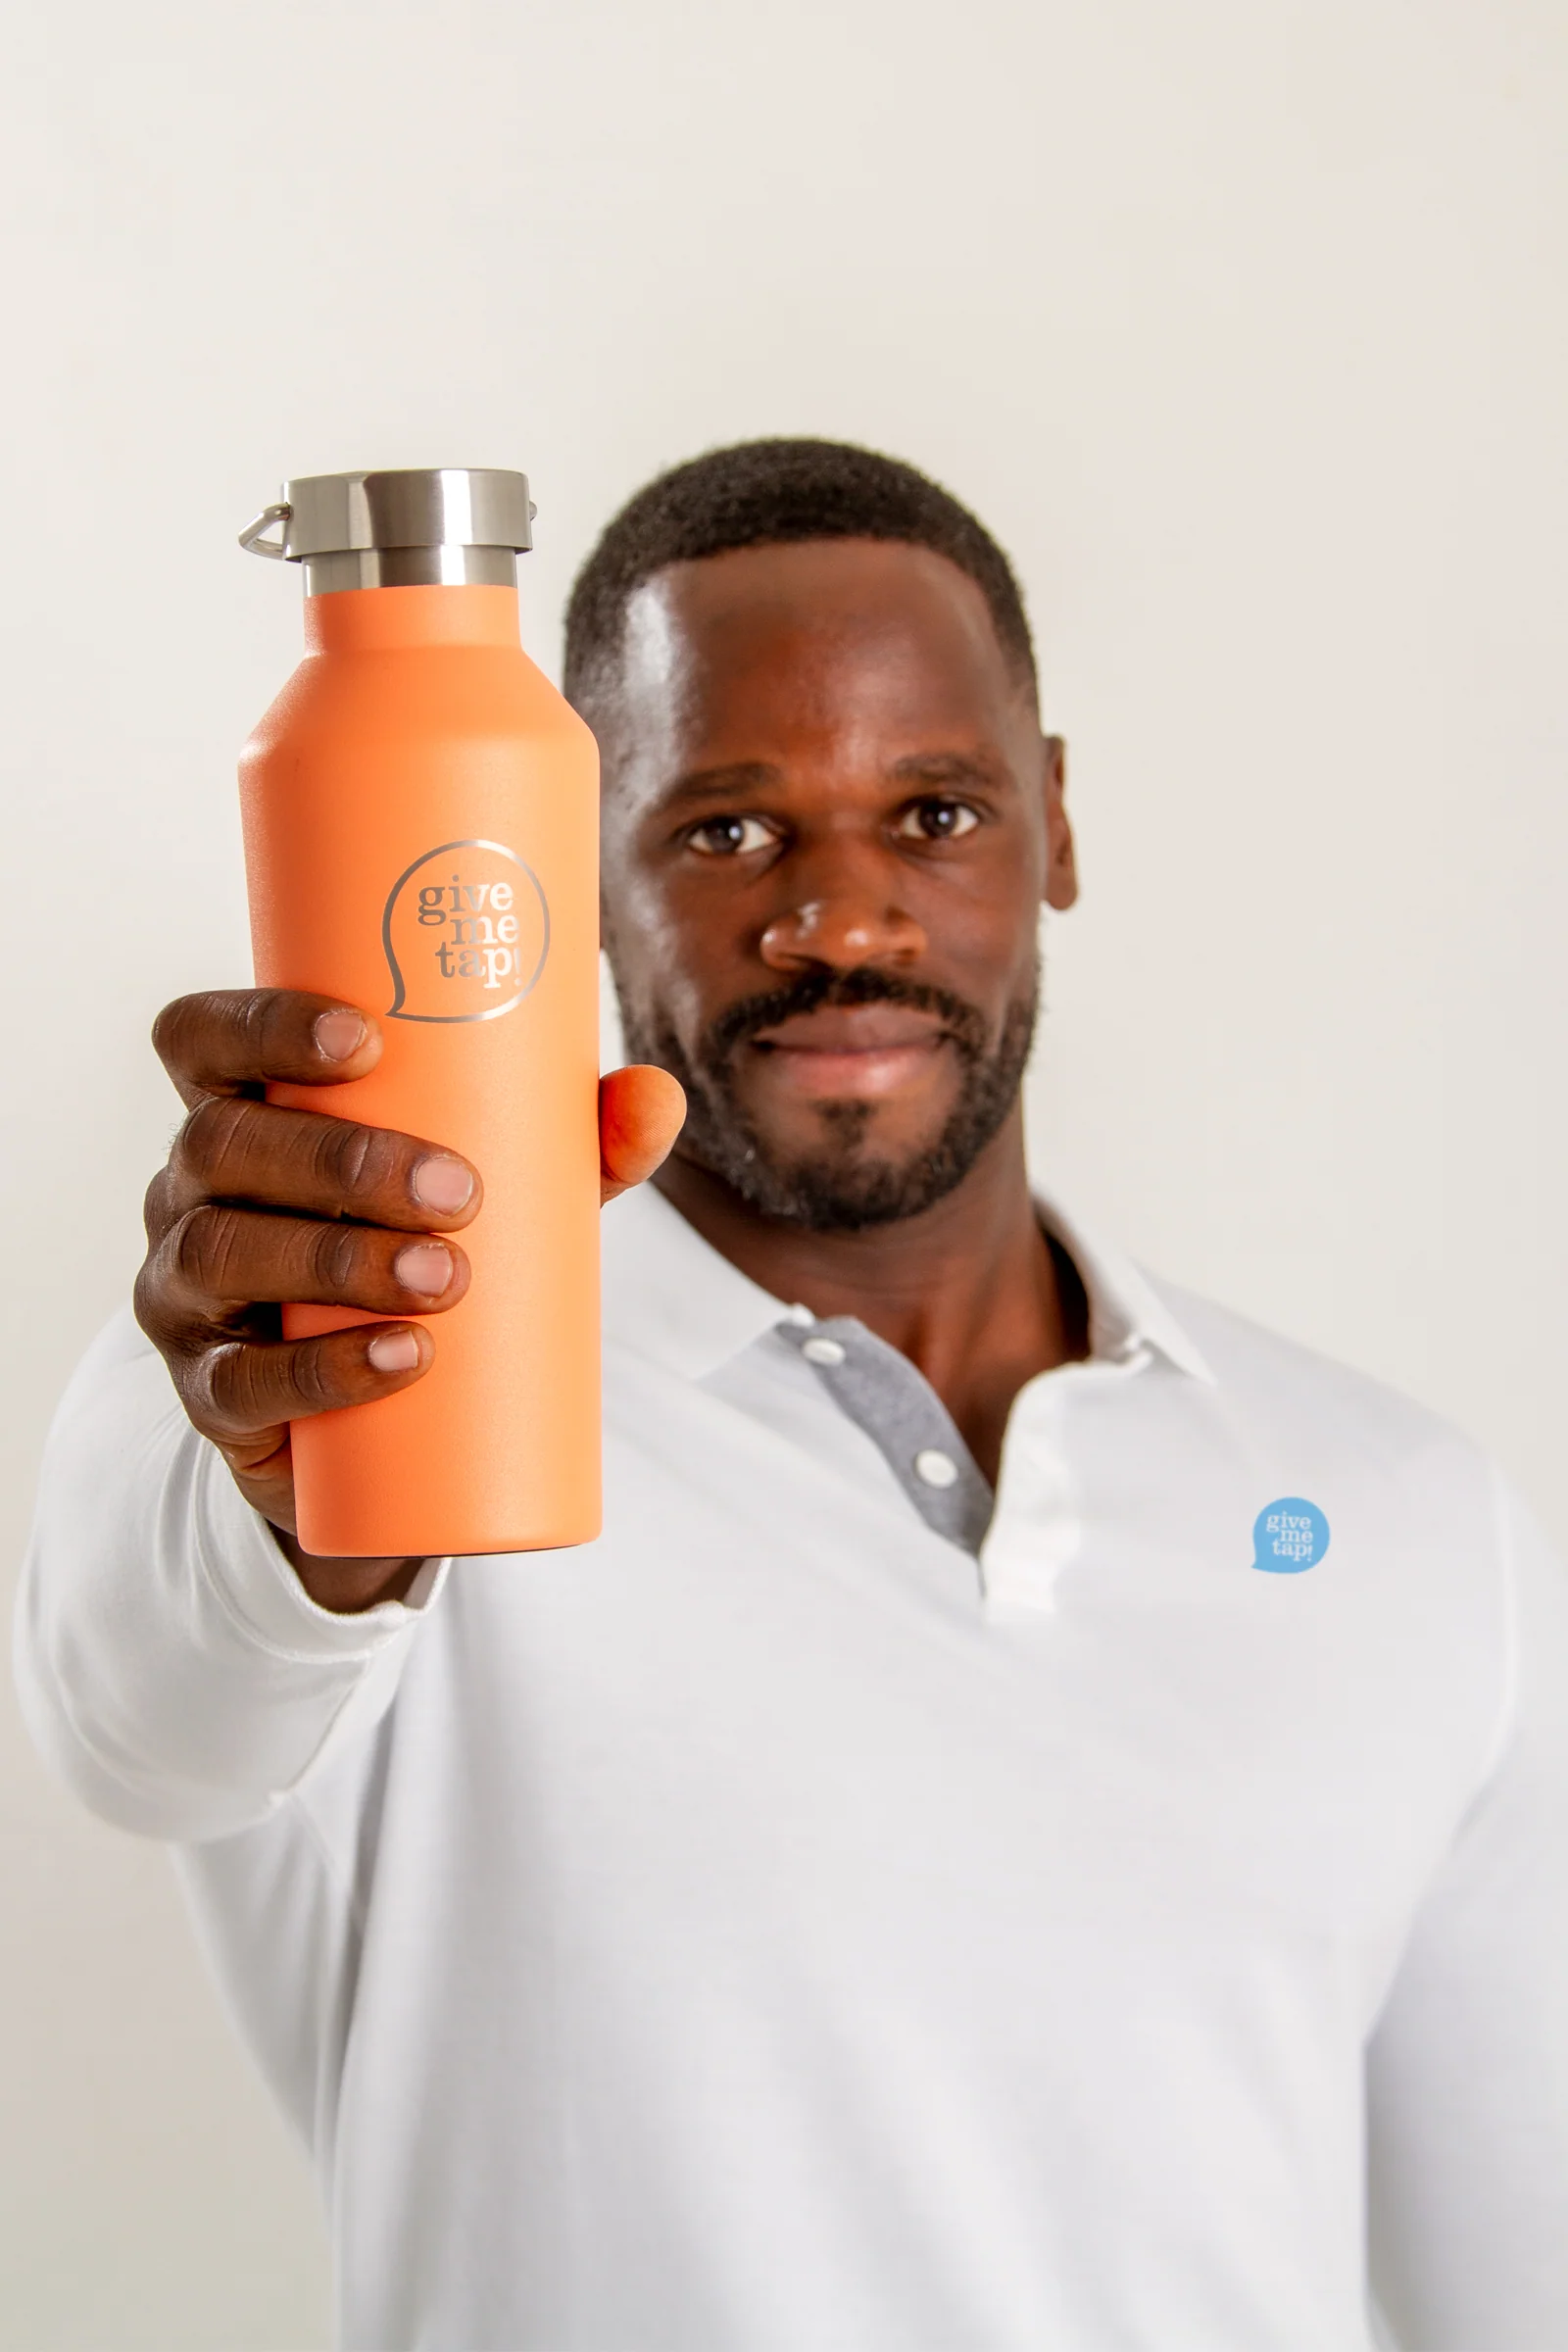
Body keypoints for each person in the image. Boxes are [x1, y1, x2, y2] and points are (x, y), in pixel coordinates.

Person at [16, 439, 1568, 2352]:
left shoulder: (1408, 1524)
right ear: (572, 860)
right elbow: (147, 1724)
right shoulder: (343, 1384)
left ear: (1053, 825)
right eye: (728, 830)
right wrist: (293, 1494)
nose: (841, 920)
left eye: (929, 812)